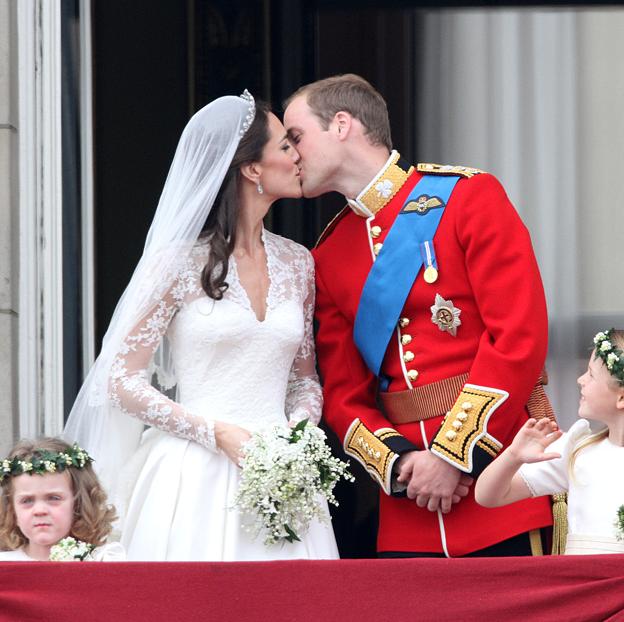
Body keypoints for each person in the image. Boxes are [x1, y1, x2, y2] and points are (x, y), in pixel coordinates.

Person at [283, 74, 554, 557]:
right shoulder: (328, 253)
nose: (290, 153)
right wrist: (402, 463)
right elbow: (344, 394)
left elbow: (519, 337)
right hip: (411, 508)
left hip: (501, 480)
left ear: (341, 125)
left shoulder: (469, 197)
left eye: (296, 136)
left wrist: (454, 455)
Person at [63, 92, 338, 561]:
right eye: (286, 146)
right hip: (192, 475)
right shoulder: (176, 264)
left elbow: (304, 379)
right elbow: (121, 379)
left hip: (283, 477)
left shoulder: (299, 263)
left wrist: (296, 435)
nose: (298, 157)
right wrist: (216, 433)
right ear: (252, 168)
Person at [476, 329, 624, 555]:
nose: (580, 380)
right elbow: (488, 496)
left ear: (621, 397)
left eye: (591, 375)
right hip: (581, 585)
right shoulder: (576, 451)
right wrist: (513, 456)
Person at [0, 438, 125, 561]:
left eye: (53, 498)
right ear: (12, 511)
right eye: (27, 501)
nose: (39, 510)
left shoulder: (102, 560)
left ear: (78, 503)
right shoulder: (4, 565)